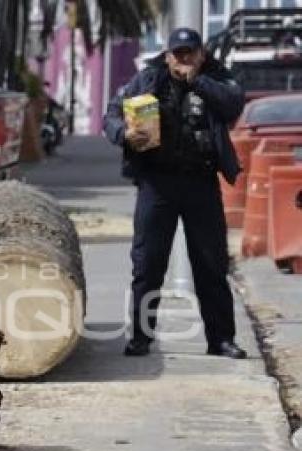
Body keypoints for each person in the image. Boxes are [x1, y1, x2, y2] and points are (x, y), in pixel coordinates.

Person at [103, 27, 247, 359]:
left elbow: (233, 105)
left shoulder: (215, 78)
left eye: (190, 53)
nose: (183, 59)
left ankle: (221, 339)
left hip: (201, 184)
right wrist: (125, 134)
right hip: (157, 183)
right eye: (177, 54)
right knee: (148, 264)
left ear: (201, 54)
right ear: (167, 55)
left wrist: (196, 80)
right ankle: (141, 336)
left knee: (211, 265)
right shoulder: (148, 79)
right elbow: (110, 115)